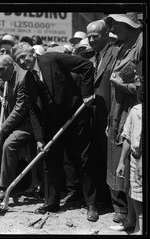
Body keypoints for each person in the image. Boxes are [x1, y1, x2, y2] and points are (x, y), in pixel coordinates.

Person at [11, 42, 98, 222]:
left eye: (23, 56)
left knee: (84, 160)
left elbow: (86, 66)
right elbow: (34, 112)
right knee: (50, 163)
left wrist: (86, 93)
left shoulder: (53, 58)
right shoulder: (27, 80)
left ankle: (92, 204)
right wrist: (40, 138)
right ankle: (51, 203)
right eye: (17, 60)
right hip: (52, 125)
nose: (21, 61)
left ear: (32, 53)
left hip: (76, 117)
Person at [104, 12, 143, 224]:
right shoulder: (122, 48)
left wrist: (120, 84)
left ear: (131, 27)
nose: (114, 28)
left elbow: (141, 86)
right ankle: (126, 213)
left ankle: (133, 218)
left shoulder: (141, 46)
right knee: (118, 160)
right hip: (117, 113)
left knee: (128, 161)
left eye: (118, 24)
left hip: (132, 112)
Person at [0, 54, 44, 201]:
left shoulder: (22, 78)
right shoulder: (7, 78)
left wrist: (4, 126)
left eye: (2, 69)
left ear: (12, 65)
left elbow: (21, 108)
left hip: (29, 124)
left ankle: (3, 187)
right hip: (17, 123)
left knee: (9, 144)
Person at [86, 19, 119, 208]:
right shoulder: (93, 57)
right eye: (88, 36)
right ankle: (103, 200)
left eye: (95, 36)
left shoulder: (115, 53)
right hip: (95, 119)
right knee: (98, 160)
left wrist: (110, 117)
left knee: (112, 162)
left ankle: (119, 207)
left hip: (110, 117)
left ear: (107, 34)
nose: (90, 40)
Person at [110, 62, 143, 235]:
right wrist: (122, 161)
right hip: (134, 156)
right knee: (132, 190)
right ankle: (132, 222)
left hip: (141, 158)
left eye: (139, 84)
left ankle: (139, 228)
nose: (138, 88)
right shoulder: (136, 109)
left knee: (140, 194)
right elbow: (128, 138)